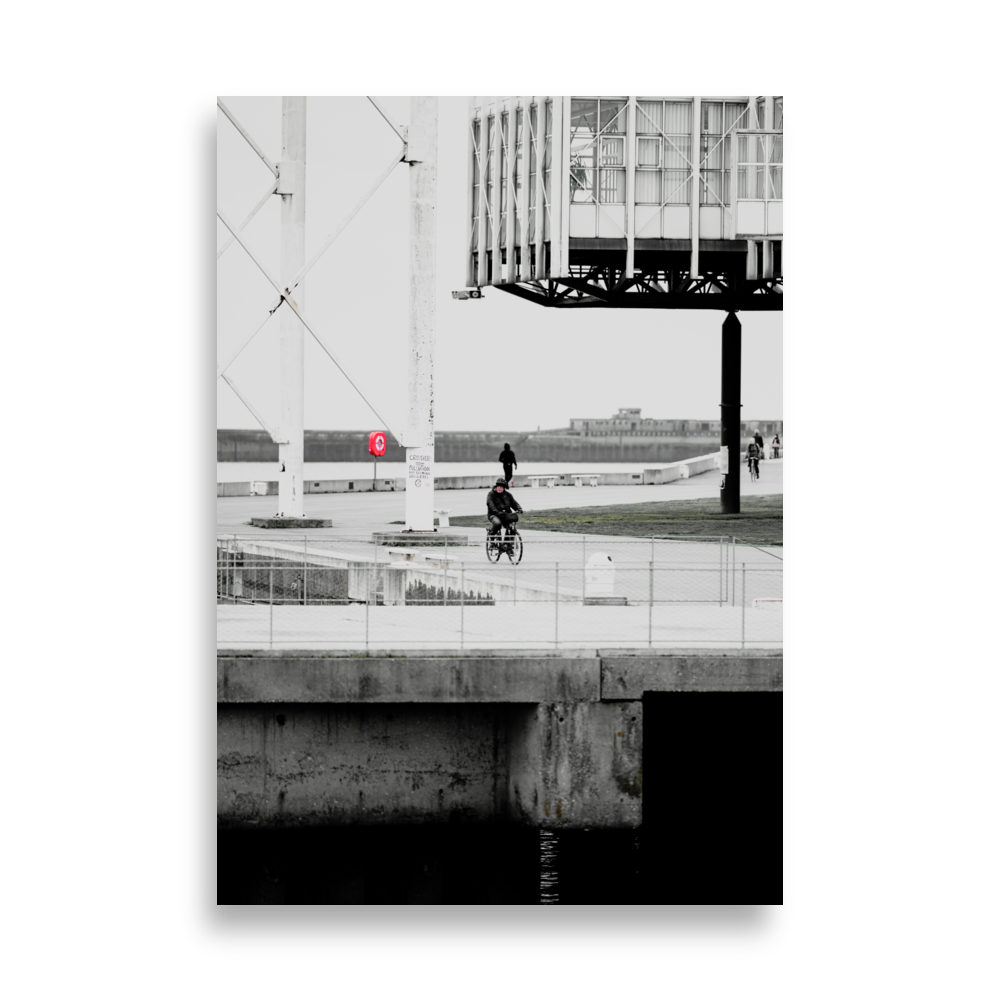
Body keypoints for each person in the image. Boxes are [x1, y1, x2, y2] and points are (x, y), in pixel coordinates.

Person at [487, 477, 522, 546]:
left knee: (511, 527)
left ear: (504, 488)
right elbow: (490, 504)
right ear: (496, 486)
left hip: (505, 515)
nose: (499, 488)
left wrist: (519, 508)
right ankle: (491, 536)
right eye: (498, 486)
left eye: (501, 487)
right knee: (498, 524)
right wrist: (496, 511)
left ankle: (508, 545)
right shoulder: (491, 494)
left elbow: (514, 503)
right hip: (494, 514)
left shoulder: (508, 495)